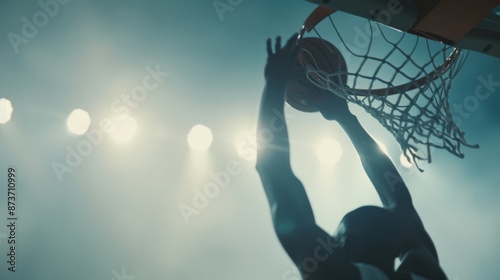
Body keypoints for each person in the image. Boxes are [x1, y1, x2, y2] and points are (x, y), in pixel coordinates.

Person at [255, 34, 448, 280]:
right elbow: (399, 200)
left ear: (342, 241)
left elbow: (274, 173)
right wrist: (345, 117)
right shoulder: (425, 270)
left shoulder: (332, 273)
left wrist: (274, 83)